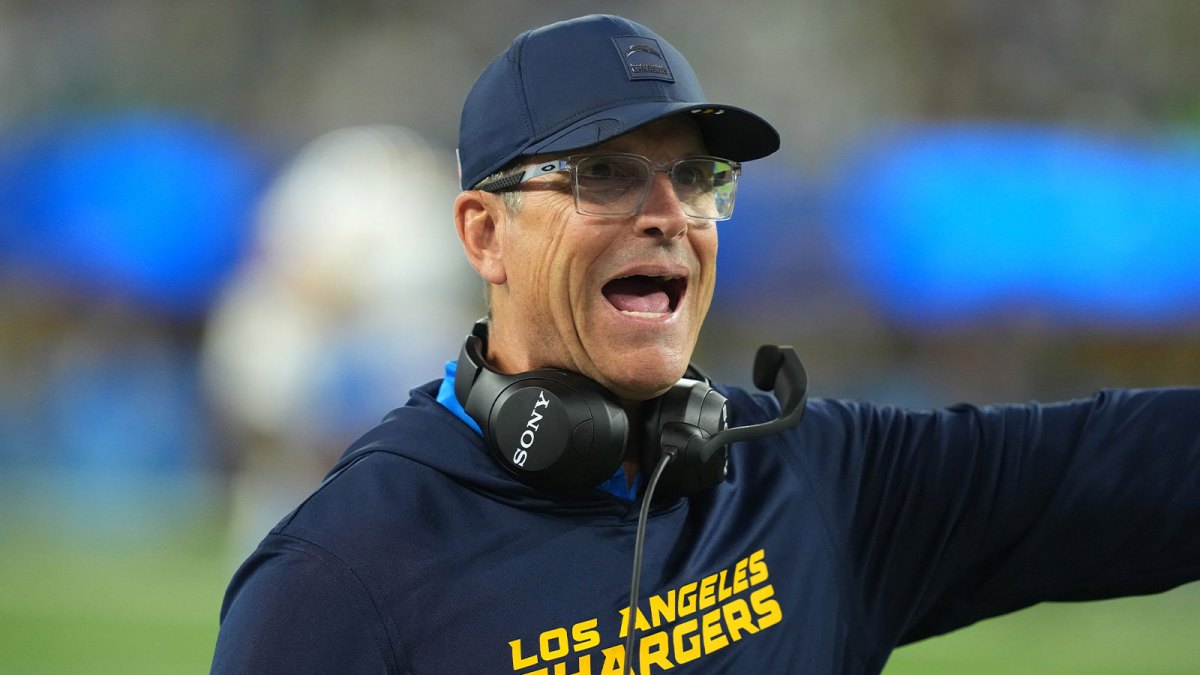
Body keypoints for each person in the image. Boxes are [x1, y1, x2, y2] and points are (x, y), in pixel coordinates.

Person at [210, 14, 1200, 674]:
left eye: (695, 177)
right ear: (482, 234)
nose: (666, 213)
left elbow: (1139, 468)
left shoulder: (807, 476)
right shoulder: (337, 576)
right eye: (604, 173)